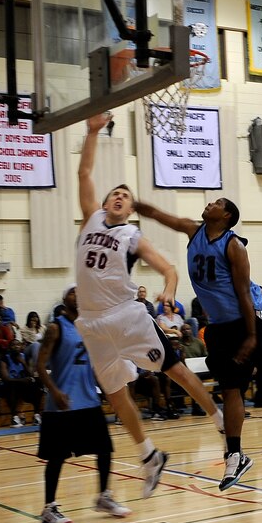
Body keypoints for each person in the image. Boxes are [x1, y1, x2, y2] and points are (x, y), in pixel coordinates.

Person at [133, 195, 262, 491]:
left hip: (247, 317)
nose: (209, 204)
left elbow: (242, 291)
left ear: (226, 215)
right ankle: (235, 454)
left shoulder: (233, 246)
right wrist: (139, 207)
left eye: (216, 203)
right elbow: (162, 216)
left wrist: (252, 334)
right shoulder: (194, 230)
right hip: (220, 326)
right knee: (230, 388)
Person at [74, 112, 223, 498]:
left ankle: (219, 419)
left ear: (130, 209)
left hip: (125, 316)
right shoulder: (90, 220)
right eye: (114, 194)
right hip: (91, 324)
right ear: (104, 203)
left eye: (125, 196)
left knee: (173, 369)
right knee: (115, 393)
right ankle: (149, 456)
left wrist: (169, 289)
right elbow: (84, 174)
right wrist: (92, 132)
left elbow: (169, 268)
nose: (119, 197)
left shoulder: (131, 235)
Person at [36, 285, 131, 523]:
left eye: (81, 291)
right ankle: (49, 508)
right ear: (64, 299)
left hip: (88, 399)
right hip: (63, 403)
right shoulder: (56, 328)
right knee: (57, 457)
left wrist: (108, 390)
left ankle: (103, 497)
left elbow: (96, 364)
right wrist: (54, 391)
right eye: (72, 292)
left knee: (105, 449)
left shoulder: (90, 328)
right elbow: (39, 364)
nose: (77, 294)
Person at [0, 339, 43, 428]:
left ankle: (36, 415)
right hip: (8, 387)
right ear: (9, 348)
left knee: (38, 384)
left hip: (21, 387)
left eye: (18, 345)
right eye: (13, 345)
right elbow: (6, 379)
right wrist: (22, 380)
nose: (16, 347)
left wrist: (23, 363)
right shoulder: (4, 359)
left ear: (21, 347)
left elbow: (30, 375)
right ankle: (14, 418)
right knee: (12, 386)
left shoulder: (23, 357)